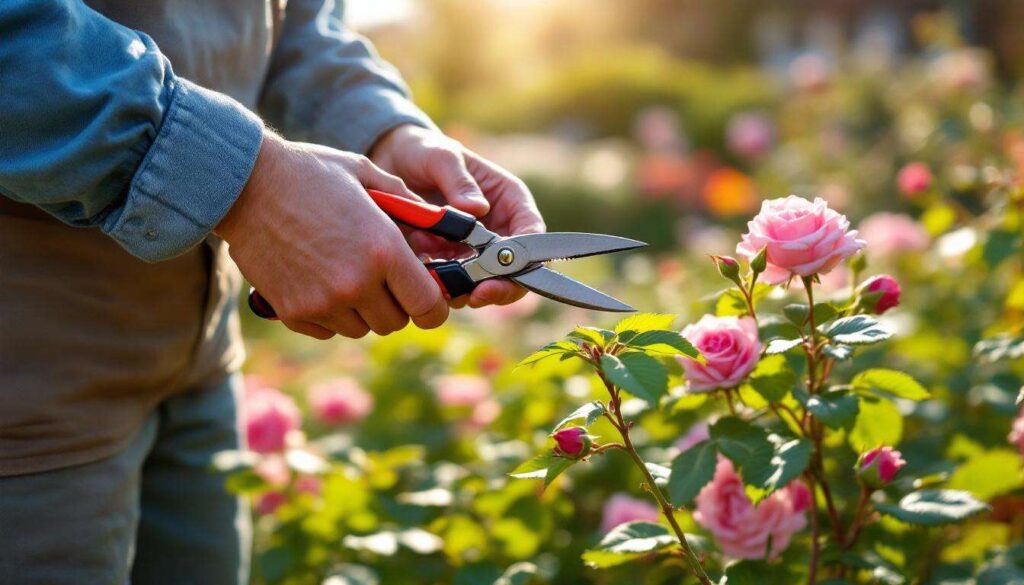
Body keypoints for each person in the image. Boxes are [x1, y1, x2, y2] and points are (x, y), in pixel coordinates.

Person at [0, 1, 544, 583]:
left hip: (199, 353)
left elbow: (295, 22)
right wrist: (249, 185)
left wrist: (381, 130)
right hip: (27, 366)